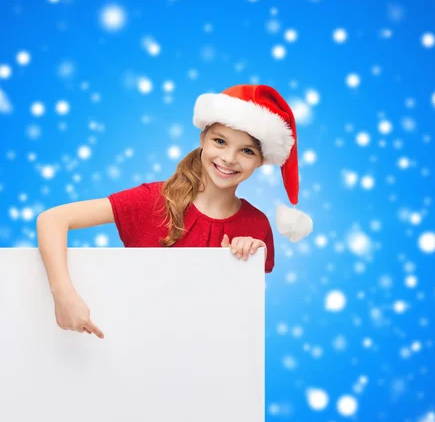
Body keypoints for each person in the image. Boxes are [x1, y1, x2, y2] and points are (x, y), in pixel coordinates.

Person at [36, 84, 313, 340]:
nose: (229, 158)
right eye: (220, 141)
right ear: (203, 138)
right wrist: (64, 296)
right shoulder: (153, 200)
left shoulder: (256, 226)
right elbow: (52, 220)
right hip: (129, 349)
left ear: (261, 161)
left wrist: (235, 267)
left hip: (197, 368)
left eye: (247, 151)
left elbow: (236, 324)